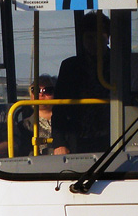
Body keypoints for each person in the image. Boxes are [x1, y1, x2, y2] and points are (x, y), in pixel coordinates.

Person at [53, 11, 111, 154]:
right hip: (78, 139)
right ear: (82, 39)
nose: (94, 42)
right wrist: (59, 142)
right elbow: (59, 107)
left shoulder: (120, 63)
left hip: (114, 136)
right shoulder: (70, 66)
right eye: (89, 37)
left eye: (99, 37)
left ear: (108, 38)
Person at [18, 74, 57, 155]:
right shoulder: (24, 126)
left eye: (48, 90)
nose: (41, 94)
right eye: (36, 90)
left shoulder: (68, 123)